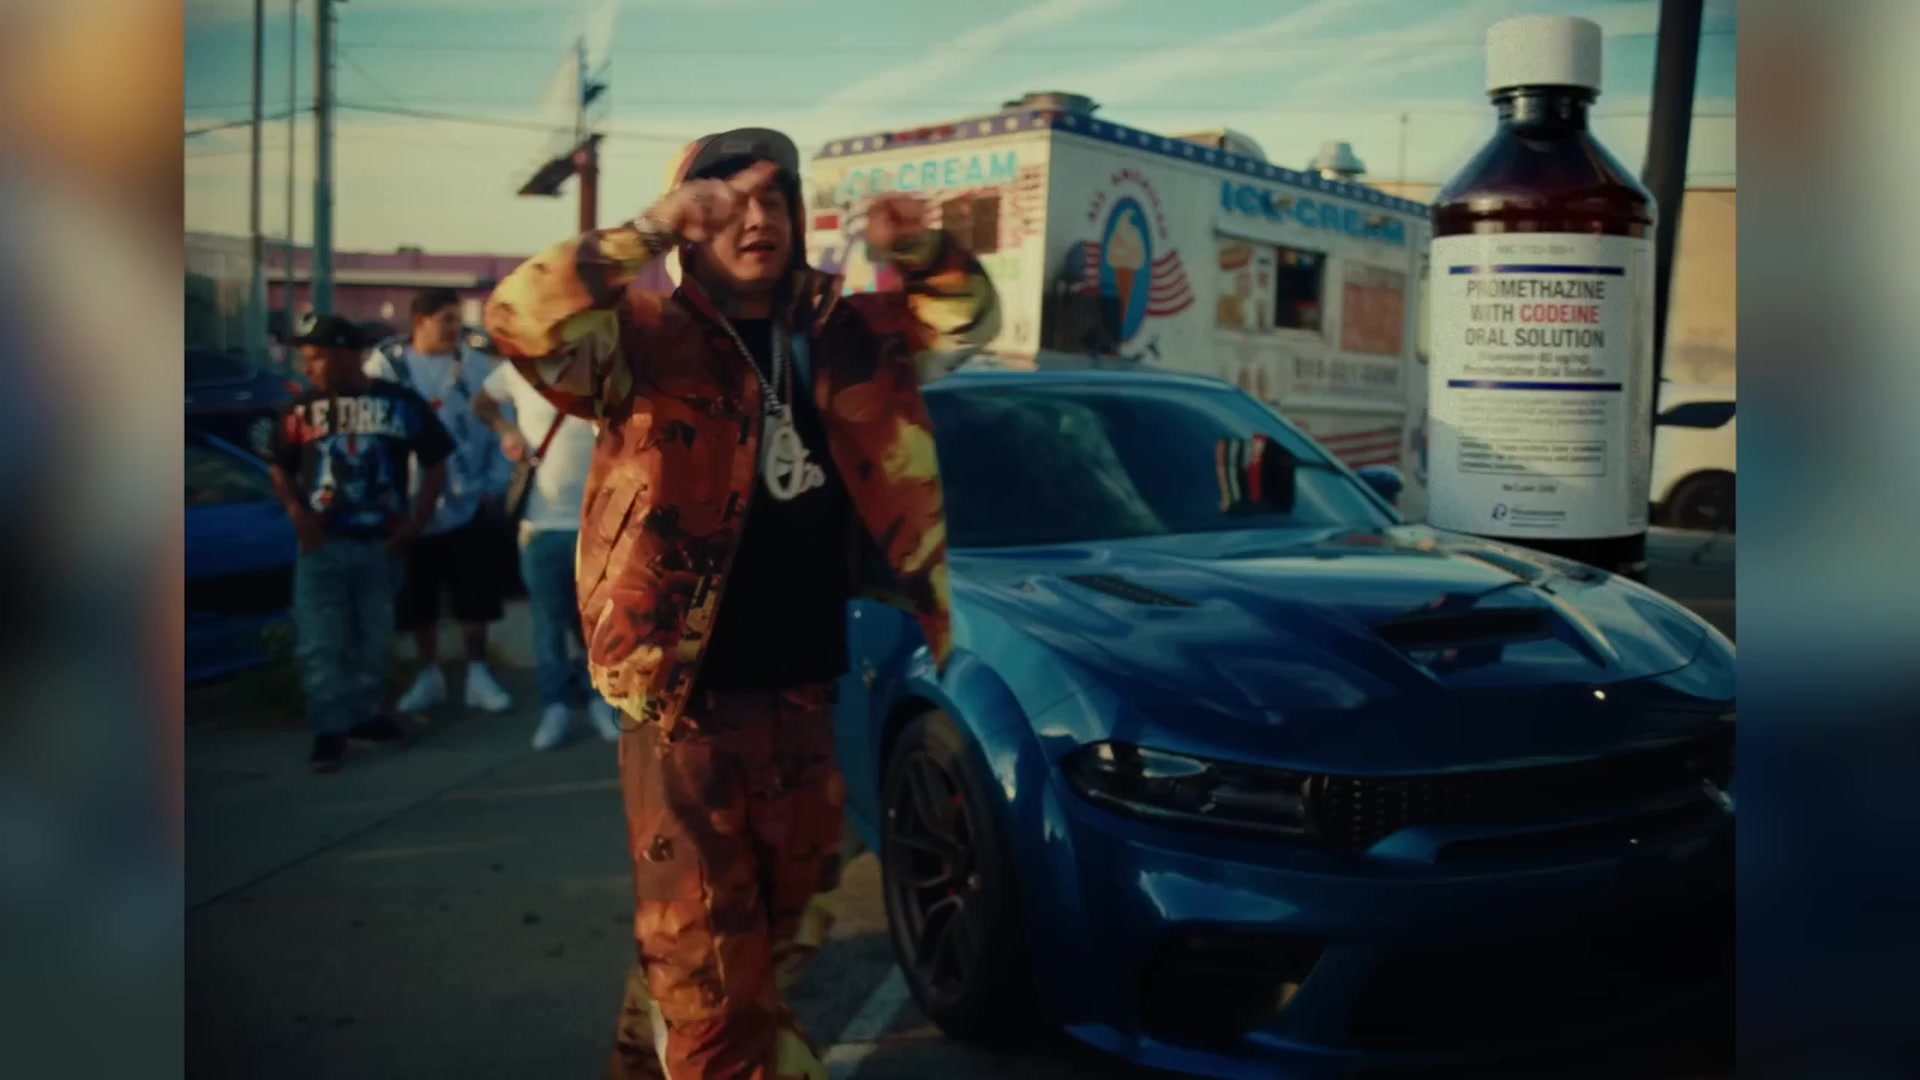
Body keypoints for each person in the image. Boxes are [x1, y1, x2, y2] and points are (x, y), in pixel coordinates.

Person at [485, 127, 999, 1080]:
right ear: (690, 224)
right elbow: (520, 316)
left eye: (774, 198)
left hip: (806, 690)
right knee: (713, 977)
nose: (755, 218)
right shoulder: (637, 339)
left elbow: (965, 322)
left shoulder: (848, 334)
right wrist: (646, 230)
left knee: (770, 940)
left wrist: (922, 248)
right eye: (723, 202)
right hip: (682, 704)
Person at [268, 315, 453, 772]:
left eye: (315, 358)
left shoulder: (399, 403)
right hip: (322, 545)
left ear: (344, 354)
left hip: (381, 545)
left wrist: (416, 521)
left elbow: (436, 459)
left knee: (374, 639)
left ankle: (366, 717)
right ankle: (329, 730)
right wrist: (298, 515)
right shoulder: (302, 409)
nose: (307, 368)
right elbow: (278, 463)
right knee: (322, 642)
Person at [367, 287, 516, 715]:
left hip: (467, 497)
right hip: (410, 501)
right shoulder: (387, 367)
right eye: (446, 320)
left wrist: (494, 485)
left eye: (458, 319)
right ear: (420, 321)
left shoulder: (476, 367)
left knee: (473, 593)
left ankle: (478, 673)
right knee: (419, 595)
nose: (455, 329)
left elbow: (501, 427)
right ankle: (428, 673)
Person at [473, 361, 622, 749]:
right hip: (540, 523)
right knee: (547, 624)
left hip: (596, 522)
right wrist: (507, 430)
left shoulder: (599, 363)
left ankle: (600, 700)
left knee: (596, 623)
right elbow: (482, 403)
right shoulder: (519, 367)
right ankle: (556, 705)